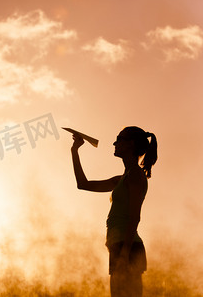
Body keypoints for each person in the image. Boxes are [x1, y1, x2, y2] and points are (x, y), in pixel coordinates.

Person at [70, 126, 158, 297]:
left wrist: (125, 253)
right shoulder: (122, 178)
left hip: (129, 247)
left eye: (119, 139)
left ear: (131, 144)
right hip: (120, 246)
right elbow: (83, 184)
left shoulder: (135, 176)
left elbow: (135, 217)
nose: (114, 143)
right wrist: (75, 151)